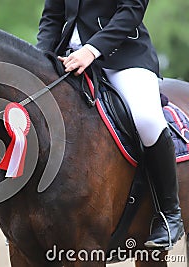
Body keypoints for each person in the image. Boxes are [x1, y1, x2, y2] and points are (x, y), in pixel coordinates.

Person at [36, 0, 184, 249]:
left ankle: (169, 214)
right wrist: (37, 60)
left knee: (146, 119)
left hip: (122, 56)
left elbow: (131, 10)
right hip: (66, 60)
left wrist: (92, 49)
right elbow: (52, 17)